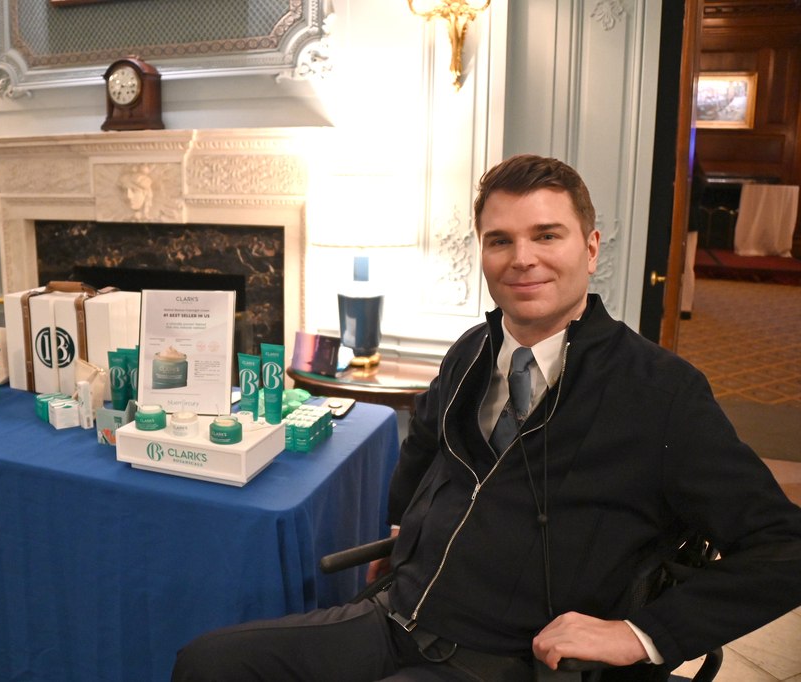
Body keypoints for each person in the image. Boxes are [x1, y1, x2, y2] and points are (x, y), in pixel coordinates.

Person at [171, 155, 801, 682]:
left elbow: (785, 548)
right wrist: (404, 535)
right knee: (207, 663)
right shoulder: (471, 350)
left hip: (507, 661)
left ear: (590, 248)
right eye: (500, 240)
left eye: (546, 236)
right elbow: (422, 453)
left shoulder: (660, 392)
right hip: (398, 617)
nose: (522, 258)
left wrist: (642, 634)